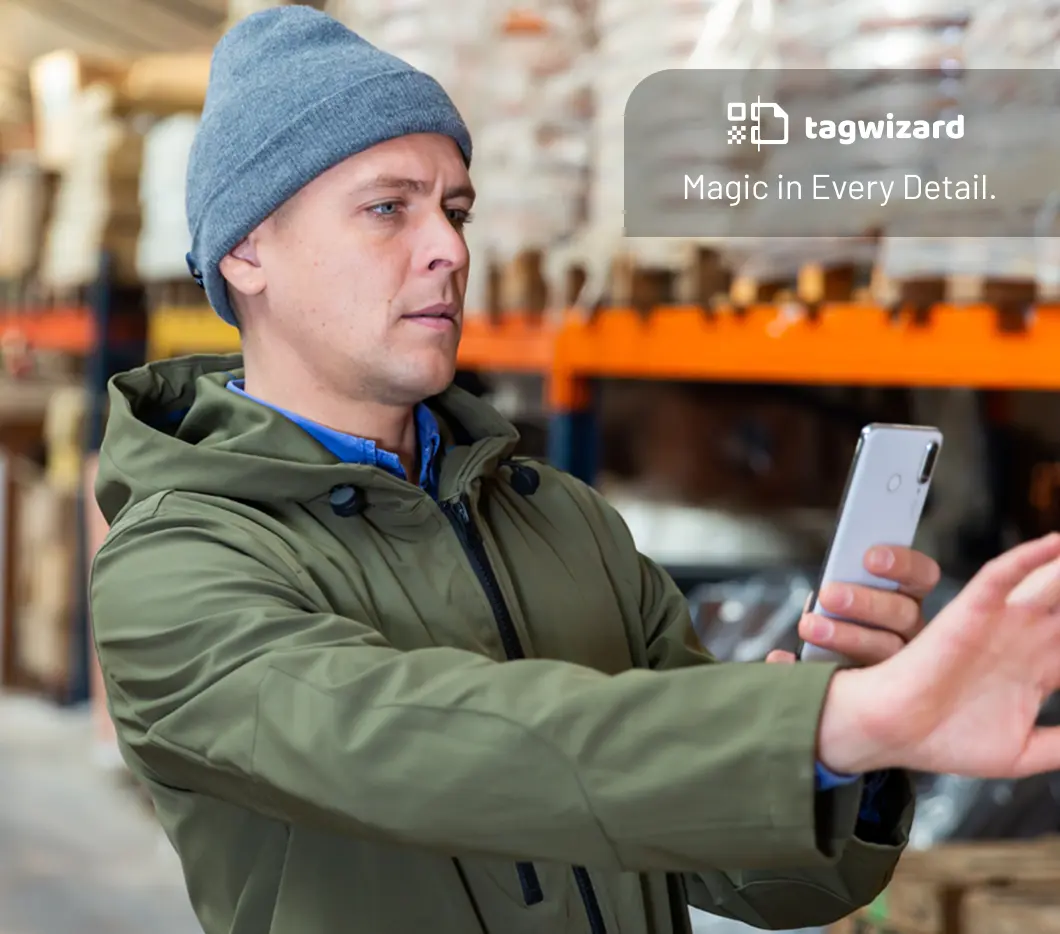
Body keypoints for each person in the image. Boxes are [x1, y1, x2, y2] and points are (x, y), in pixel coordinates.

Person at [89, 7, 1060, 934]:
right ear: (247, 252)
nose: (448, 249)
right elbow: (435, 748)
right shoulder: (173, 568)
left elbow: (756, 879)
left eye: (456, 209)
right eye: (388, 208)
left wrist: (844, 754)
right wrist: (822, 724)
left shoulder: (562, 522)